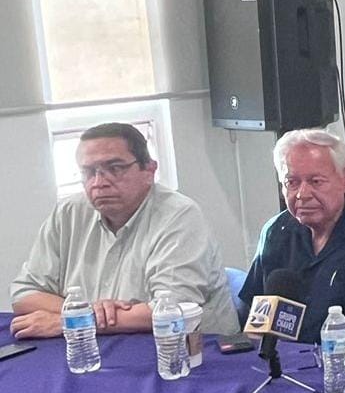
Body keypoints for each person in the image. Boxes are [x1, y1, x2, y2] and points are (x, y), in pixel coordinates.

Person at [10, 123, 237, 337]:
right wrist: (88, 312)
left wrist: (75, 321)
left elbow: (172, 310)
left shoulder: (180, 215)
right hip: (100, 344)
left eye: (115, 168)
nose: (99, 182)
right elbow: (24, 293)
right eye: (88, 172)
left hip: (191, 349)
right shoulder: (68, 213)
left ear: (149, 170)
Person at [237, 129, 345, 335]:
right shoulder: (275, 231)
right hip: (281, 353)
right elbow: (252, 320)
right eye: (292, 183)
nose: (302, 194)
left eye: (316, 181)